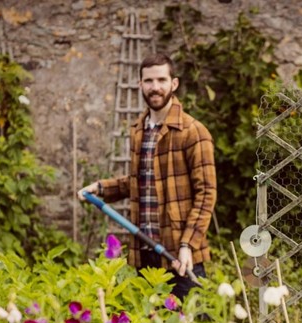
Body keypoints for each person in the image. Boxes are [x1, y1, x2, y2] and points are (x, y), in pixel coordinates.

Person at [78, 53, 216, 300]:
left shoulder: (193, 132)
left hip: (180, 255)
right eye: (149, 81)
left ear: (174, 84)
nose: (155, 87)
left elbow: (206, 194)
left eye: (162, 80)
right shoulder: (139, 131)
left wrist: (187, 245)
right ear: (140, 84)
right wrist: (101, 188)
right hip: (146, 253)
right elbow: (140, 182)